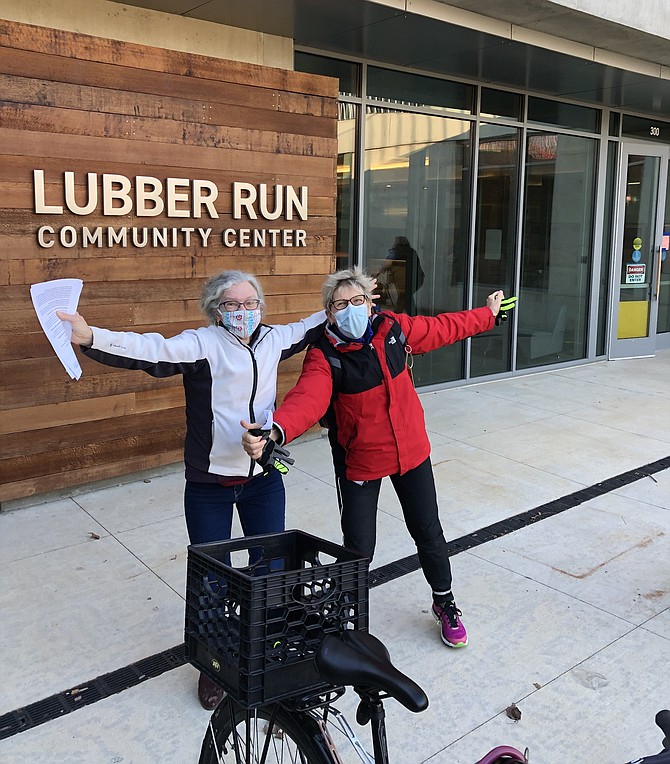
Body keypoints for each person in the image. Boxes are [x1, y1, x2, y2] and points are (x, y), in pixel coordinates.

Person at [57, 269, 326, 708]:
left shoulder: (275, 338)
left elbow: (317, 322)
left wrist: (351, 298)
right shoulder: (203, 345)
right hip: (210, 486)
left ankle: (267, 645)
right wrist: (91, 337)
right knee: (213, 582)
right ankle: (214, 663)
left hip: (263, 480)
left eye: (250, 302)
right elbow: (150, 350)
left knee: (270, 569)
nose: (243, 311)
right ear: (216, 311)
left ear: (261, 305)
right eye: (232, 305)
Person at [242, 267, 504, 649]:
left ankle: (444, 602)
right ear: (329, 313)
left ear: (371, 302)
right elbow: (308, 397)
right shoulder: (325, 354)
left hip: (412, 452)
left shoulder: (392, 329)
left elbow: (442, 328)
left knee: (428, 532)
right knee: (359, 547)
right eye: (341, 304)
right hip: (360, 462)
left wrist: (487, 315)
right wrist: (277, 428)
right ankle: (348, 614)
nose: (351, 309)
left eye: (358, 300)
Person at [376, 236, 424, 313]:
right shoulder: (412, 251)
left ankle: (406, 315)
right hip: (417, 278)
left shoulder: (395, 251)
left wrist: (377, 273)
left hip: (403, 279)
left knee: (405, 297)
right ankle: (402, 313)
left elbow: (386, 264)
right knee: (405, 296)